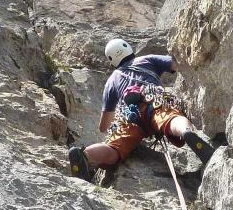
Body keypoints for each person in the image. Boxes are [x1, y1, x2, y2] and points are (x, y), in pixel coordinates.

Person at [68, 38, 213, 181]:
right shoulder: (147, 59)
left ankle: (85, 156)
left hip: (129, 116)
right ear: (128, 48)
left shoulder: (111, 81)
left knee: (114, 148)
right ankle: (186, 132)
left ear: (112, 60)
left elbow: (104, 126)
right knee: (171, 118)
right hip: (154, 100)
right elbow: (176, 64)